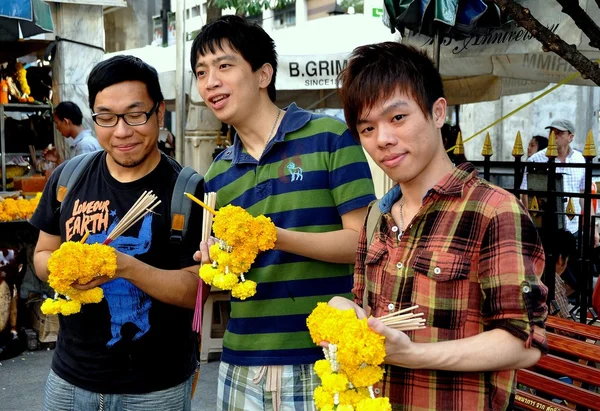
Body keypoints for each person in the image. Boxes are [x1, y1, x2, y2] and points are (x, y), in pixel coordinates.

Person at [328, 42, 548, 410]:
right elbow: (369, 318)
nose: (382, 139)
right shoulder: (373, 218)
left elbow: (523, 342)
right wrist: (349, 317)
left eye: (397, 118)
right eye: (367, 128)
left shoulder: (493, 211)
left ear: (438, 112)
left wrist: (413, 354)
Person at [191, 15, 376, 411]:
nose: (210, 82)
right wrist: (217, 263)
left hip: (323, 358)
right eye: (201, 72)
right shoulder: (217, 175)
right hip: (240, 360)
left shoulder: (329, 137)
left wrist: (273, 236)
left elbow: (362, 243)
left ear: (263, 74)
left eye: (224, 66)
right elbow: (235, 276)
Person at [30, 55, 203, 411]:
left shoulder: (187, 191)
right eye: (106, 118)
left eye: (135, 115)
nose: (121, 131)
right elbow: (42, 254)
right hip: (69, 380)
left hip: (155, 390)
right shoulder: (68, 178)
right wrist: (65, 269)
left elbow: (196, 291)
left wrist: (124, 267)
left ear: (159, 112)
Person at [520, 119, 584, 236]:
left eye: (559, 132)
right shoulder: (536, 159)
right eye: (551, 132)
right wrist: (530, 222)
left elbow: (584, 195)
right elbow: (525, 193)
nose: (554, 136)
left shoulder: (580, 159)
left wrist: (592, 228)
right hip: (543, 227)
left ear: (570, 137)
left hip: (573, 227)